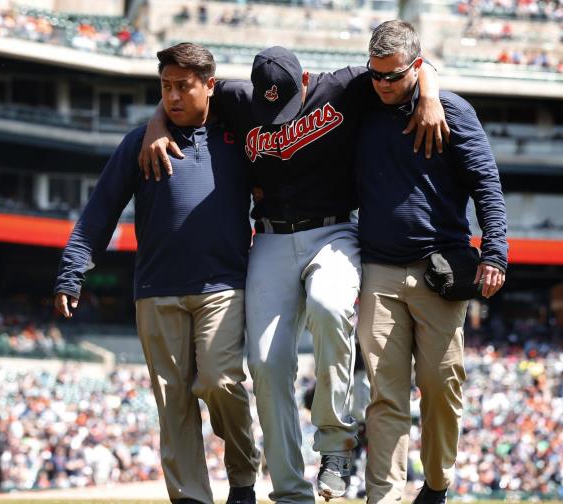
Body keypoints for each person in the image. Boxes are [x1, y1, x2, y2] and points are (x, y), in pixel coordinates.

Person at [139, 45, 449, 503]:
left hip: (334, 230)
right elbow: (180, 91)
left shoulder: (341, 85)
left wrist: (431, 94)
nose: (275, 116)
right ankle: (289, 490)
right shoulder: (239, 97)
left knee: (329, 306)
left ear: (305, 84)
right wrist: (154, 124)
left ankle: (336, 447)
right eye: (268, 107)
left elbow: (406, 66)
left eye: (283, 105)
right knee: (265, 363)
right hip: (269, 237)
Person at [53, 43, 260, 504]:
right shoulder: (139, 144)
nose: (172, 97)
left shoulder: (240, 138)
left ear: (209, 84)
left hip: (223, 286)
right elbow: (99, 212)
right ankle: (191, 497)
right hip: (156, 289)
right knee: (174, 405)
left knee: (220, 381)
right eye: (164, 87)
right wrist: (72, 271)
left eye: (183, 86)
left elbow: (264, 97)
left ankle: (243, 479)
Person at [354, 21, 509, 504]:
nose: (382, 85)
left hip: (440, 269)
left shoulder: (454, 112)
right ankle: (383, 494)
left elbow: (487, 184)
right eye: (375, 74)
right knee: (385, 393)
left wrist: (496, 252)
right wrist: (424, 89)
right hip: (378, 268)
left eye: (393, 76)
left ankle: (436, 486)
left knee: (442, 386)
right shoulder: (362, 99)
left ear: (416, 67)